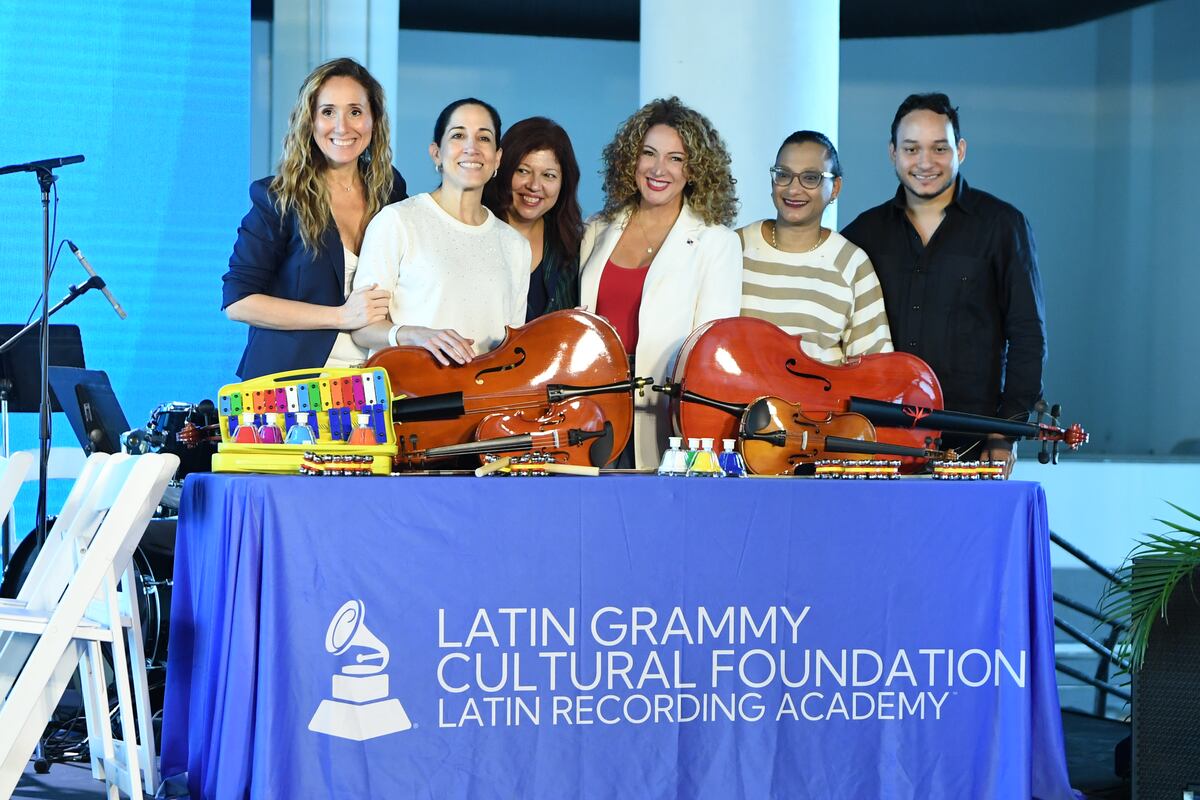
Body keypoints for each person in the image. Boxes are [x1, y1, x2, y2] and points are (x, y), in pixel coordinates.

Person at [841, 92, 1046, 472]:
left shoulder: (1002, 225)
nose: (924, 162)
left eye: (939, 148)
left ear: (961, 150)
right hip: (882, 435)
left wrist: (1005, 434)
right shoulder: (862, 233)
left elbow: (1027, 335)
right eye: (911, 148)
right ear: (892, 153)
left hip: (971, 437)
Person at [580, 96, 742, 469]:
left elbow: (709, 355)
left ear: (695, 168)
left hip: (666, 415)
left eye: (675, 158)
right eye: (648, 153)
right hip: (595, 410)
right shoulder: (598, 229)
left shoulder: (716, 243)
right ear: (630, 159)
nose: (658, 168)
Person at [223, 58, 407, 379]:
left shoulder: (389, 189)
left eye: (355, 111)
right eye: (328, 112)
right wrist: (340, 316)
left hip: (374, 381)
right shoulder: (277, 198)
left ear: (373, 120)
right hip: (289, 385)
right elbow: (239, 302)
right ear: (309, 121)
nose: (342, 127)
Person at [352, 98, 531, 364]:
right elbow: (362, 328)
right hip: (414, 396)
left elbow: (513, 346)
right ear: (436, 153)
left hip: (487, 401)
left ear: (497, 158)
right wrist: (415, 335)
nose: (472, 148)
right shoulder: (398, 221)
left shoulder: (515, 245)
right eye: (458, 135)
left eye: (484, 138)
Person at [739, 130, 892, 364]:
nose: (793, 189)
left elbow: (873, 369)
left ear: (836, 188)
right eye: (783, 175)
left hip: (818, 401)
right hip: (731, 400)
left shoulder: (852, 263)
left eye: (811, 178)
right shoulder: (736, 247)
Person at [483, 116, 583, 319]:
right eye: (523, 171)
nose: (534, 186)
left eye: (549, 175)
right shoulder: (474, 230)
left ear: (564, 183)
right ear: (501, 168)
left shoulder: (569, 245)